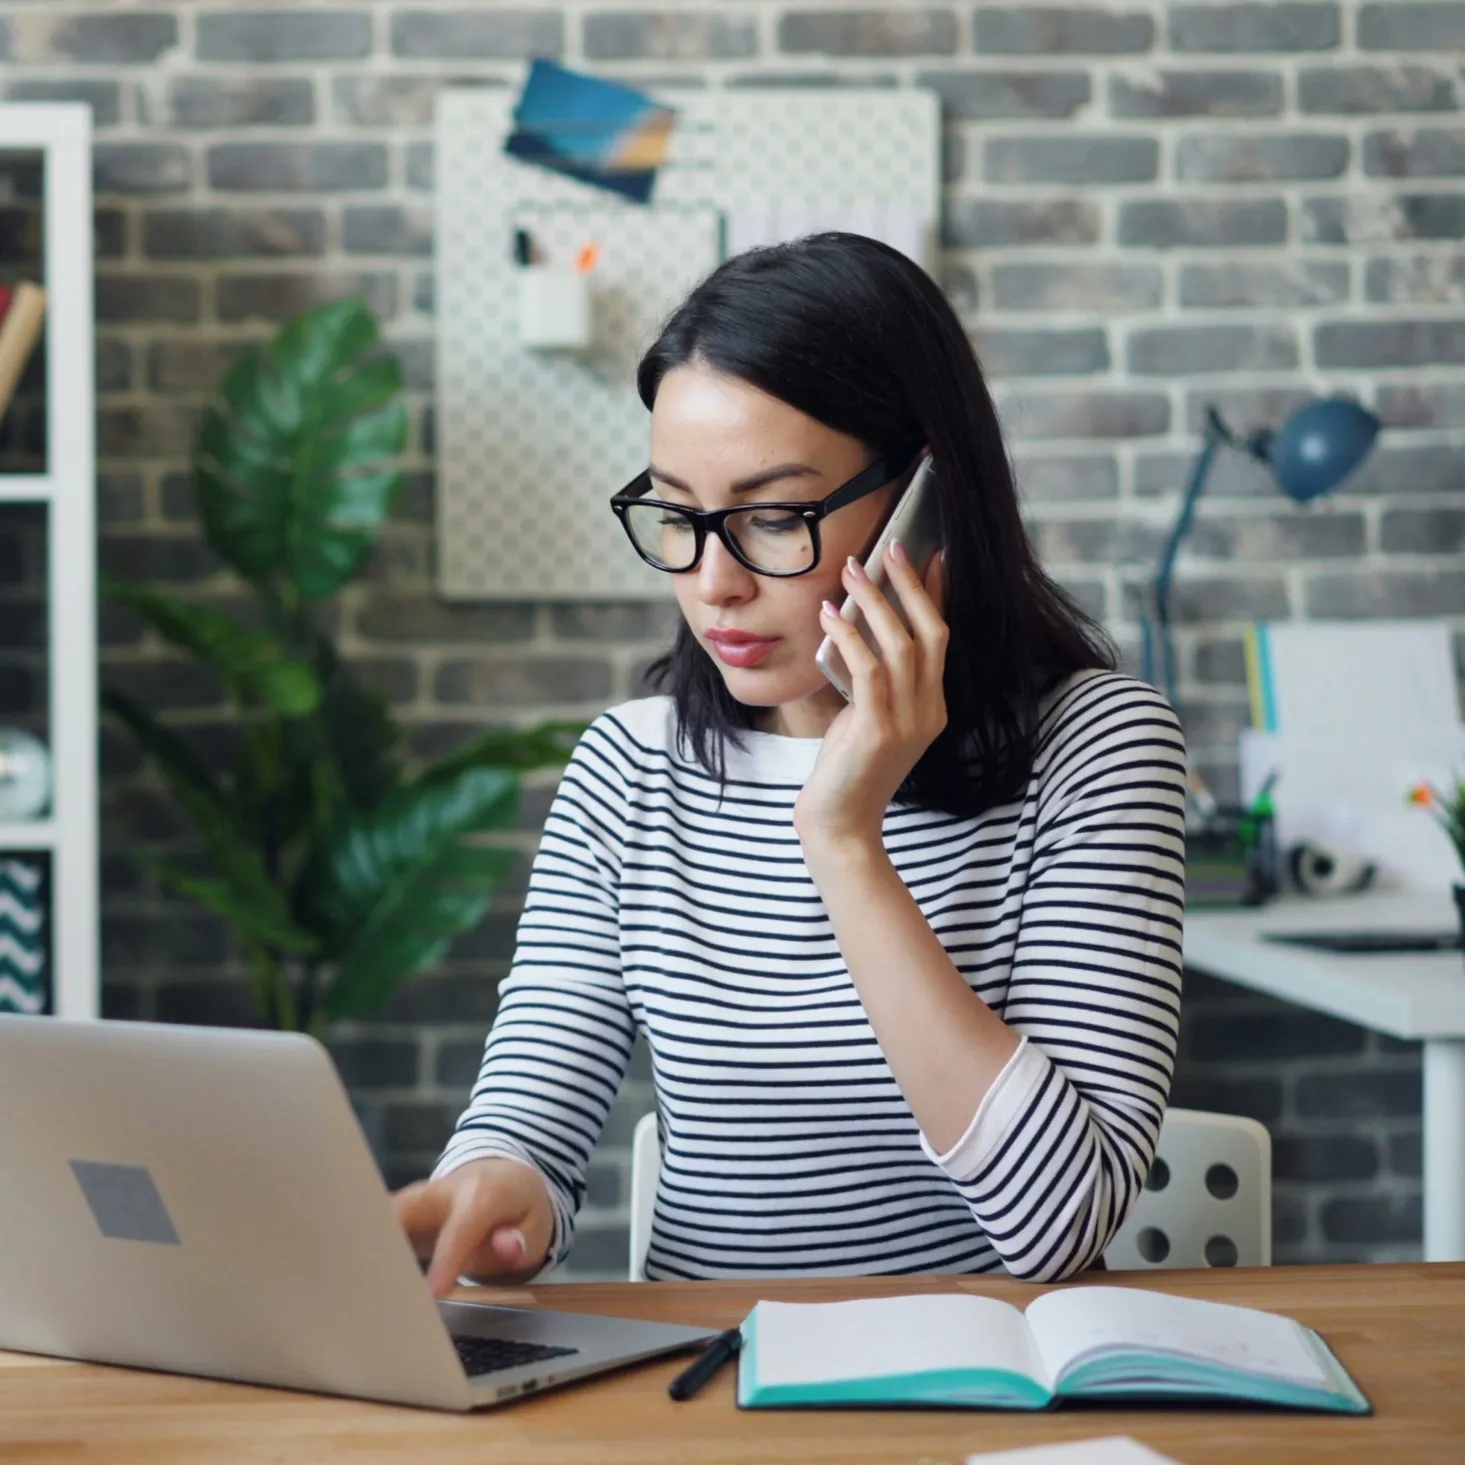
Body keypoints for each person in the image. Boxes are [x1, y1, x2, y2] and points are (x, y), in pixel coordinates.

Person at [394, 233, 1187, 1291]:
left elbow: (1057, 1224)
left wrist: (844, 836)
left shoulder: (1095, 746)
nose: (712, 581)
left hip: (980, 1401)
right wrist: (496, 1189)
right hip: (702, 1393)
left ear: (926, 505)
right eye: (677, 516)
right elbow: (531, 1116)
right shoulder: (630, 770)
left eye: (771, 518)